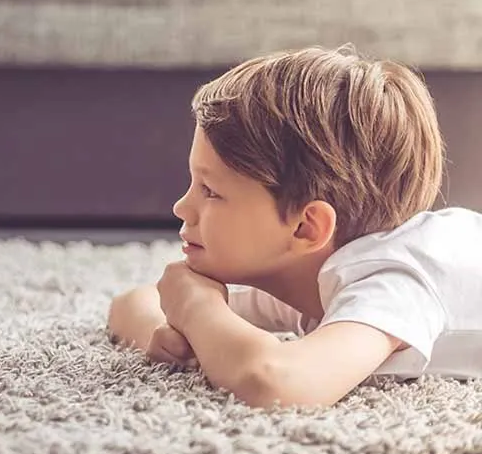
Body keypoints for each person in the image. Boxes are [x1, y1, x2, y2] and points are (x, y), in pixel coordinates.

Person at [107, 45, 482, 408]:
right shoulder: (306, 273)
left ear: (306, 228)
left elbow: (275, 382)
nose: (181, 207)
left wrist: (196, 309)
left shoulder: (391, 281)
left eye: (210, 191)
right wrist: (171, 333)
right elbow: (130, 304)